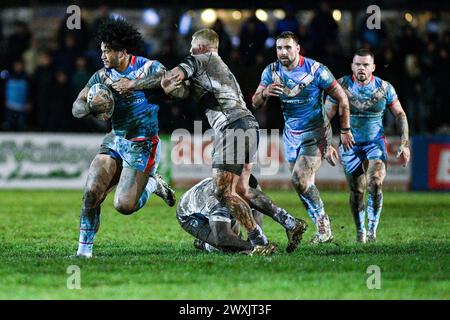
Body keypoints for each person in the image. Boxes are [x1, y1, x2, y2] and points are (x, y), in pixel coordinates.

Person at [113, 28, 308, 253]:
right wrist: (162, 90)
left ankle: (259, 243)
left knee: (222, 192)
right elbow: (179, 90)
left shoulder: (200, 59)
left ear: (202, 46)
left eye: (192, 44)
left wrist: (132, 84)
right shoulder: (213, 70)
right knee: (242, 189)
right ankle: (291, 223)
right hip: (248, 126)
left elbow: (170, 78)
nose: (189, 49)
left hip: (232, 128)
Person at [72, 19, 175, 258]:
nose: (103, 56)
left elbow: (168, 80)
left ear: (123, 51)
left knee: (124, 206)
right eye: (102, 50)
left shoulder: (147, 67)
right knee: (91, 191)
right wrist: (89, 105)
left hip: (143, 144)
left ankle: (153, 184)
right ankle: (83, 252)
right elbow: (76, 107)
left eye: (108, 50)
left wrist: (134, 85)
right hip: (115, 140)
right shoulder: (101, 76)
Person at [252, 31, 353, 244]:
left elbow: (342, 98)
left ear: (298, 49)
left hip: (316, 132)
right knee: (301, 185)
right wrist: (265, 92)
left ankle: (324, 225)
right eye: (279, 48)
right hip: (291, 135)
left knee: (299, 179)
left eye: (288, 47)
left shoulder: (317, 71)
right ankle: (321, 228)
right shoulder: (271, 71)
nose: (283, 52)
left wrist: (344, 131)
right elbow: (255, 102)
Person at [324, 49, 410, 243]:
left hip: (375, 143)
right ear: (352, 66)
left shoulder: (384, 88)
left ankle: (372, 231)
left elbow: (400, 115)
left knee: (376, 183)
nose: (361, 68)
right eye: (357, 64)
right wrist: (327, 144)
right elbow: (325, 117)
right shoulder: (340, 86)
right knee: (357, 191)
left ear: (373, 67)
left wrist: (404, 144)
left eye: (365, 64)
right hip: (349, 145)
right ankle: (360, 230)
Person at [177, 175, 277, 255]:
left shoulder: (251, 187)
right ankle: (204, 243)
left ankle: (209, 238)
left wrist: (257, 241)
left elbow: (257, 213)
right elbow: (223, 238)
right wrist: (255, 247)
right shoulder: (219, 201)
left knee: (238, 242)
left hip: (211, 204)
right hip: (190, 215)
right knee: (227, 248)